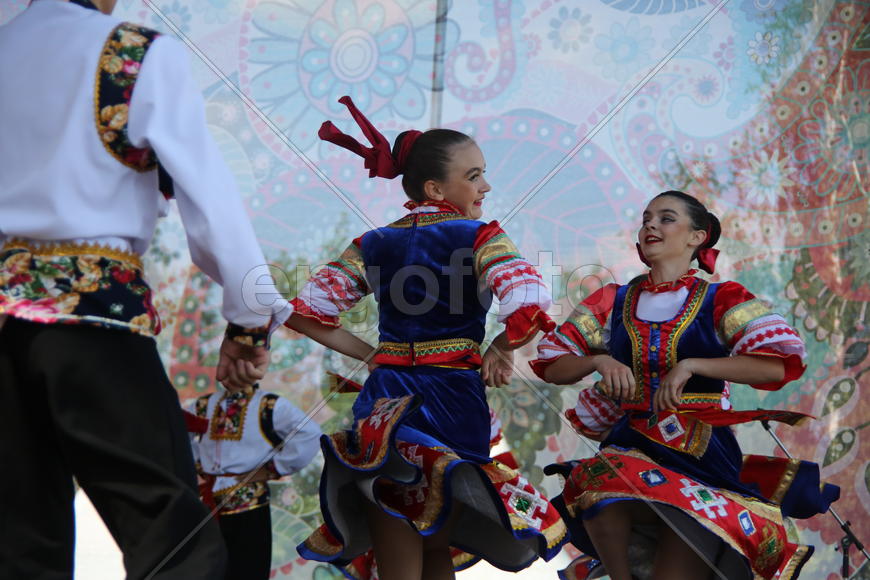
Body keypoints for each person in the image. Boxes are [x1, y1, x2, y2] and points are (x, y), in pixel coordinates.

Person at [0, 0, 291, 578]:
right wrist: (248, 316)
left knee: (21, 549)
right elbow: (208, 195)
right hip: (94, 326)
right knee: (174, 539)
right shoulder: (131, 51)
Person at [286, 96, 567, 580]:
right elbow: (530, 295)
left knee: (395, 537)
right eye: (474, 175)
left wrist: (373, 355)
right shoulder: (480, 236)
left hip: (387, 402)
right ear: (436, 188)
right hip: (456, 401)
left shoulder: (373, 243)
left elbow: (306, 312)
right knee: (437, 548)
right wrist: (501, 345)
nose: (486, 185)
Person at [530, 190, 839, 580]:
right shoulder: (613, 300)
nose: (650, 225)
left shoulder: (721, 299)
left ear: (697, 237)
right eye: (646, 218)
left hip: (700, 452)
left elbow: (776, 367)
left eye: (666, 217)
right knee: (599, 485)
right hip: (633, 440)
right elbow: (553, 364)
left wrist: (692, 365)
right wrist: (598, 359)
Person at [189, 382, 321, 580]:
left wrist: (272, 468)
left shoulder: (267, 405)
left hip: (249, 505)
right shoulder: (203, 404)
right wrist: (197, 466)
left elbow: (310, 434)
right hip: (208, 502)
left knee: (248, 569)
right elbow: (175, 428)